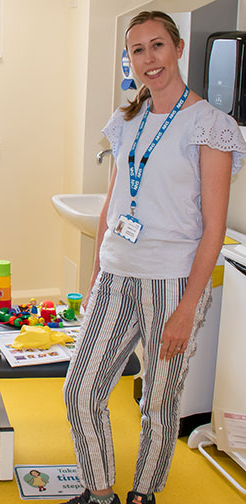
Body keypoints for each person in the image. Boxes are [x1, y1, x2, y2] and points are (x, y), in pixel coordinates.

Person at [61, 11, 245, 504]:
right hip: (117, 276)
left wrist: (189, 306)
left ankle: (144, 495)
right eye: (137, 50)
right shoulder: (127, 121)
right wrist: (97, 273)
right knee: (80, 391)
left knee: (159, 405)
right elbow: (112, 204)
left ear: (179, 49)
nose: (148, 59)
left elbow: (213, 228)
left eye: (157, 45)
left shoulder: (210, 125)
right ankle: (99, 494)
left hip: (172, 282)